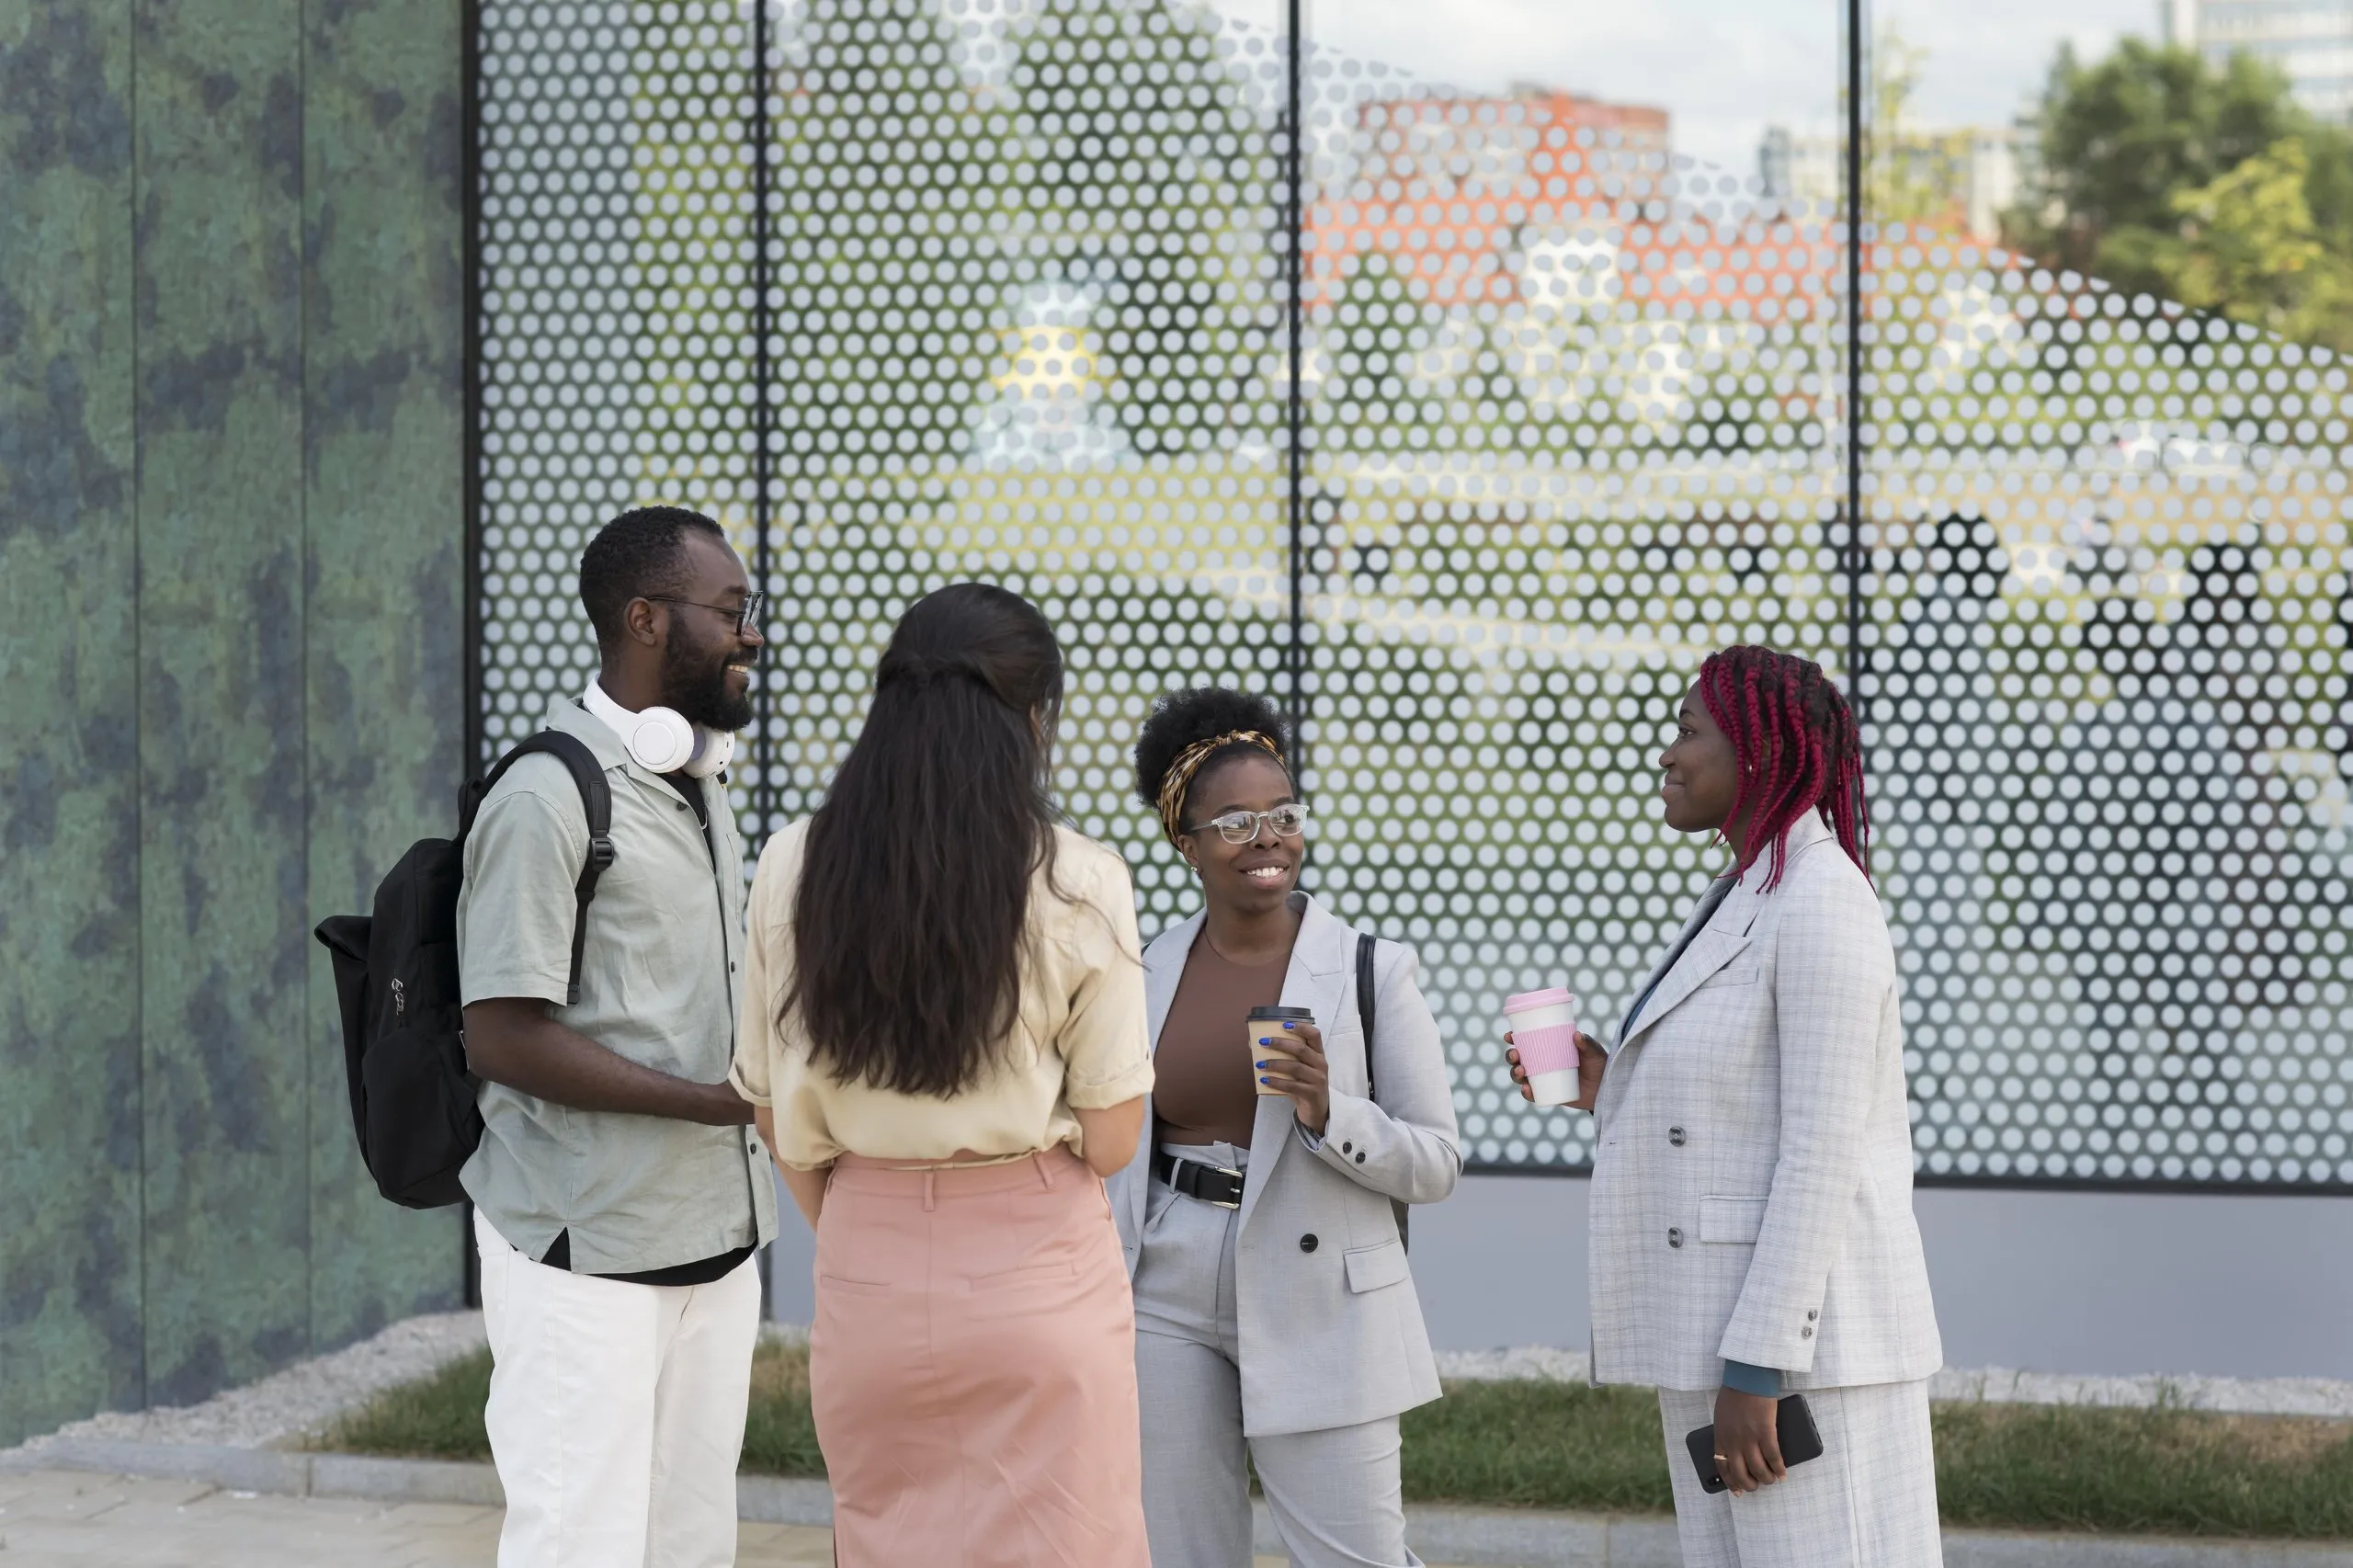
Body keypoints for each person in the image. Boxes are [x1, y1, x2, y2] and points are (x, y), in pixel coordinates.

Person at [730, 583, 1154, 1568]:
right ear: (1034, 716)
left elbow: (765, 1101)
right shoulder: (1077, 878)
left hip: (866, 1265)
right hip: (1038, 1268)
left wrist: (872, 1219)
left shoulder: (792, 864)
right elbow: (1114, 1137)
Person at [1511, 644, 1944, 1568]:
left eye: (1687, 730)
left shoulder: (1824, 900)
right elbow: (1737, 1108)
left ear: (1758, 750)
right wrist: (1602, 1083)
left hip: (1804, 1358)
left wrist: (1757, 1367)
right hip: (1715, 1333)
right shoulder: (1747, 888)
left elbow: (1822, 1149)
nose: (1666, 753)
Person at [457, 506, 779, 1568]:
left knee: (693, 1541)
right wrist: (716, 1100)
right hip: (582, 1257)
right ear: (645, 618)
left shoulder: (696, 778)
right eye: (730, 611)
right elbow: (500, 1035)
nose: (751, 633)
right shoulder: (547, 794)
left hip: (717, 1245)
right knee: (578, 1543)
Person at [1114, 687, 1461, 1568]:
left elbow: (1437, 1162)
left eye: (1283, 814)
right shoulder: (1142, 968)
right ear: (1184, 842)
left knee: (1356, 1557)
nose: (1267, 838)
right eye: (1232, 822)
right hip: (1167, 1280)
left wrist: (1327, 1109)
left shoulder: (1369, 968)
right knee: (1180, 1551)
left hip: (1325, 1290)